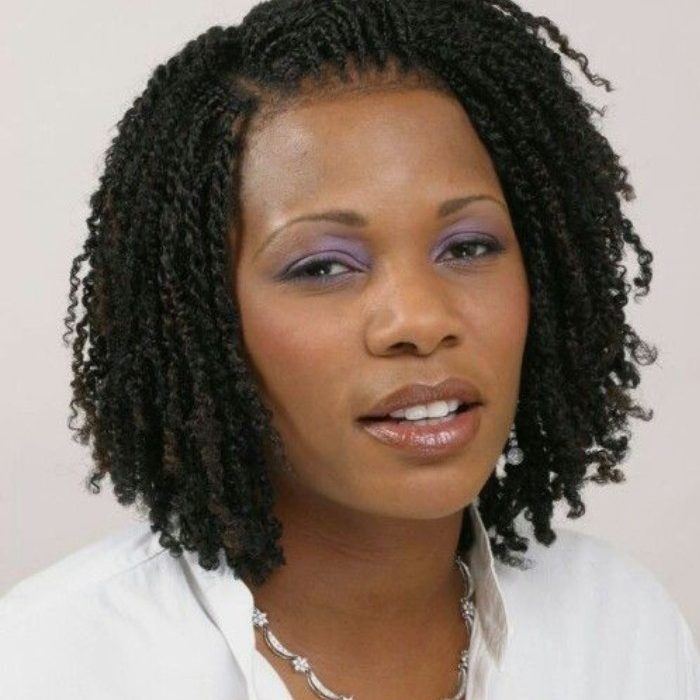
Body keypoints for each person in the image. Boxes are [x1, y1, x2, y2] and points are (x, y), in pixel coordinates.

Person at [1, 0, 698, 698]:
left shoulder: (622, 632)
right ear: (199, 320)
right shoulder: (52, 668)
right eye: (324, 266)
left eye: (467, 247)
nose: (420, 321)